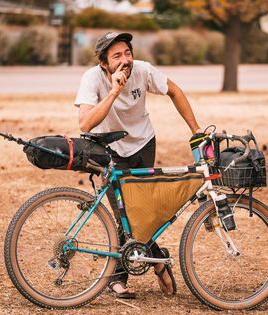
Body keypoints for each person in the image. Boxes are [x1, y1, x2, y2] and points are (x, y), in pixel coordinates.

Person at [74, 32, 202, 298]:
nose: (125, 60)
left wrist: (196, 129)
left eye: (127, 53)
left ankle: (145, 265)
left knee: (144, 213)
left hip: (143, 144)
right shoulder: (92, 78)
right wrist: (113, 92)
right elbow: (85, 123)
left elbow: (175, 91)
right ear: (103, 63)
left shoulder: (143, 70)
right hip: (109, 150)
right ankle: (151, 265)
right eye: (117, 56)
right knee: (126, 217)